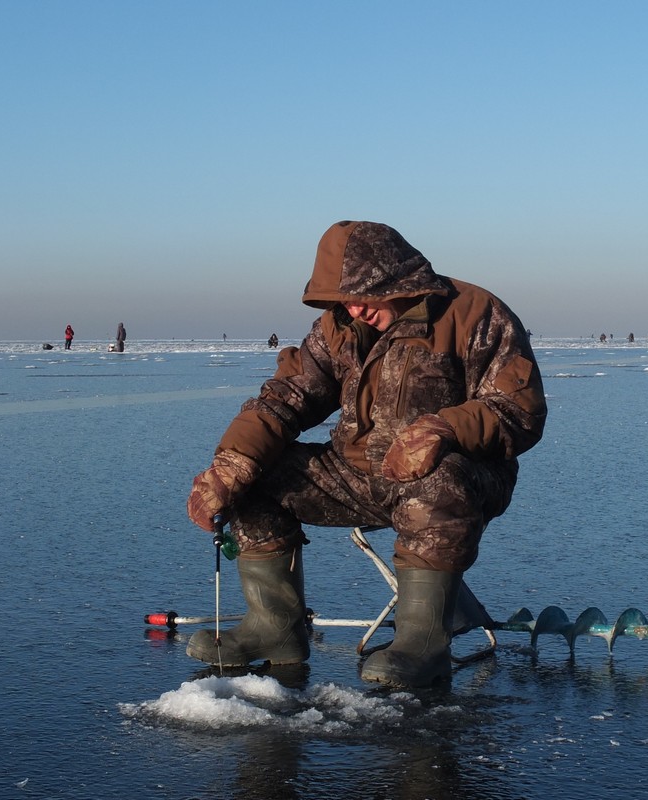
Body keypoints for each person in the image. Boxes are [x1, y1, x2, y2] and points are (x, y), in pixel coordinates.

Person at [186, 220, 547, 688]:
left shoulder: (474, 313)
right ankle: (274, 630)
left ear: (397, 280)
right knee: (254, 477)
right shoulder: (338, 327)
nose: (354, 308)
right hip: (356, 475)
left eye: (363, 295)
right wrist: (229, 465)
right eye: (342, 299)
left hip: (460, 477)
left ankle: (422, 645)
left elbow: (520, 410)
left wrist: (443, 429)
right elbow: (286, 398)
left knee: (434, 480)